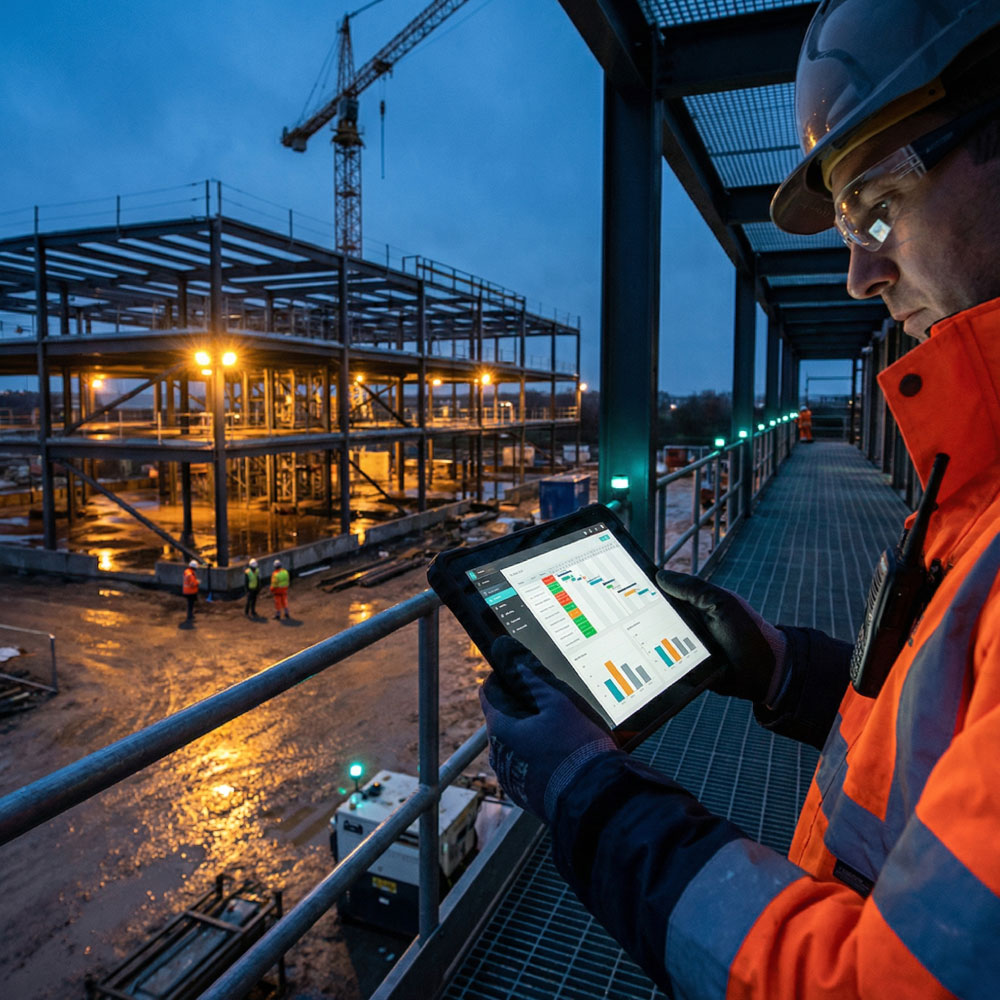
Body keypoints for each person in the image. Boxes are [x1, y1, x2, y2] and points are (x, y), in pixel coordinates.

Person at [480, 2, 1000, 997]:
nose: (857, 276)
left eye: (878, 214)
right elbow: (947, 748)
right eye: (850, 231)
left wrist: (592, 793)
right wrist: (776, 666)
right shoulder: (975, 479)